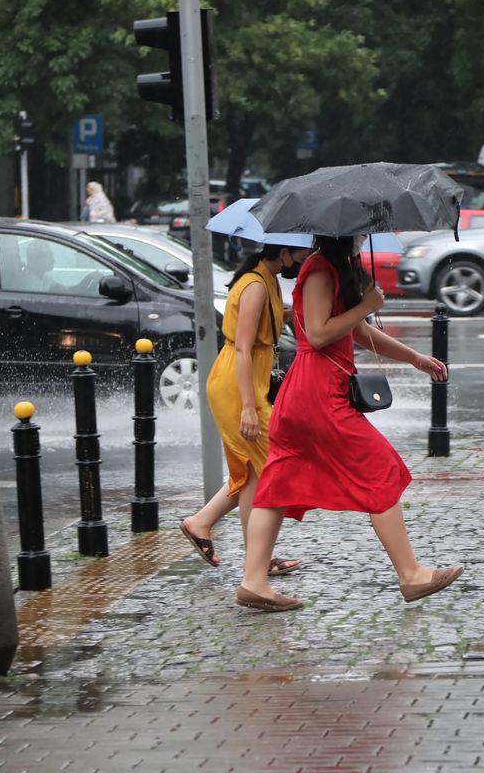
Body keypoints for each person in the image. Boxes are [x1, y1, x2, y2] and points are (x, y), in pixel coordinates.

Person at [234, 235, 462, 612]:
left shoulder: (339, 268)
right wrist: (367, 306)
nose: (362, 238)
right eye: (359, 232)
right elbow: (321, 334)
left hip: (307, 391)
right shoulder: (320, 269)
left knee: (278, 481)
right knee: (380, 468)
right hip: (319, 392)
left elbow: (359, 333)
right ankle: (411, 574)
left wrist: (415, 359)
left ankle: (254, 582)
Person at [180, 235, 314, 577]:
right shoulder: (255, 284)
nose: (303, 261)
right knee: (277, 466)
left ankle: (207, 526)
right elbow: (242, 348)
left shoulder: (266, 279)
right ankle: (255, 559)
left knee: (255, 472)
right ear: (284, 254)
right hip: (236, 388)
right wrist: (249, 408)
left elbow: (270, 323)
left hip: (247, 383)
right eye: (301, 255)